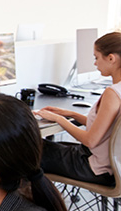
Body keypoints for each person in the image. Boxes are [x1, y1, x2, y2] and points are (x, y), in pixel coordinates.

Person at [37, 31, 121, 186]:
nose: (95, 63)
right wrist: (70, 114)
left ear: (111, 58)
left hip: (93, 168)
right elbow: (105, 126)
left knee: (27, 148)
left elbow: (91, 140)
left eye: (96, 57)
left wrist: (59, 119)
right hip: (111, 168)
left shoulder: (113, 94)